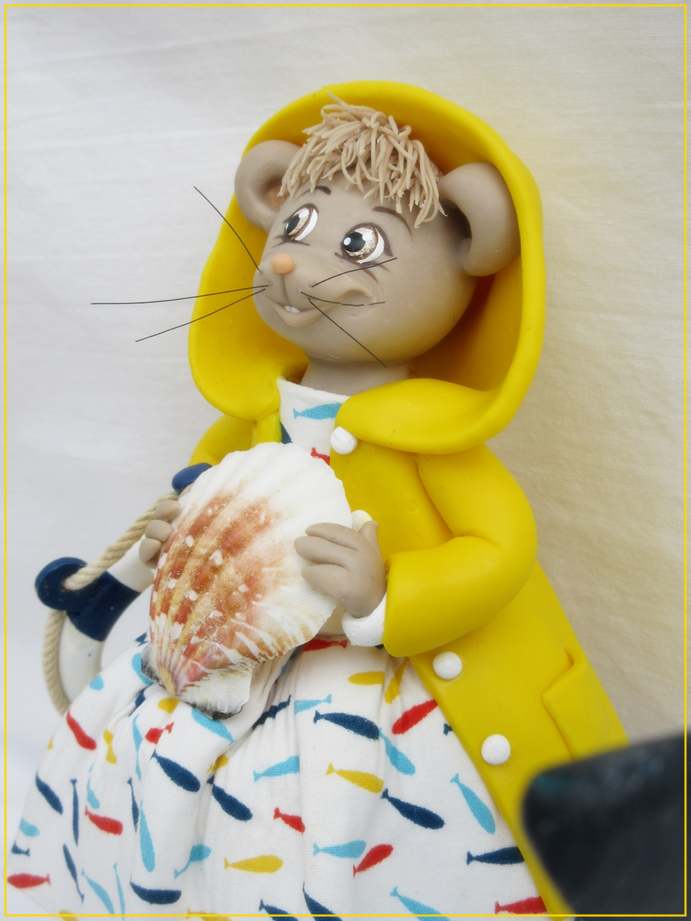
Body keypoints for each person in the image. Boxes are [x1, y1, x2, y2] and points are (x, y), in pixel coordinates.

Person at [9, 83, 626, 918]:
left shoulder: (429, 442)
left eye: (359, 242)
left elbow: (498, 547)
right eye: (293, 224)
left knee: (367, 834)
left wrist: (386, 594)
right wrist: (176, 536)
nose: (292, 261)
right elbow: (201, 501)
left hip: (381, 683)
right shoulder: (249, 422)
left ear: (469, 252)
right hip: (235, 666)